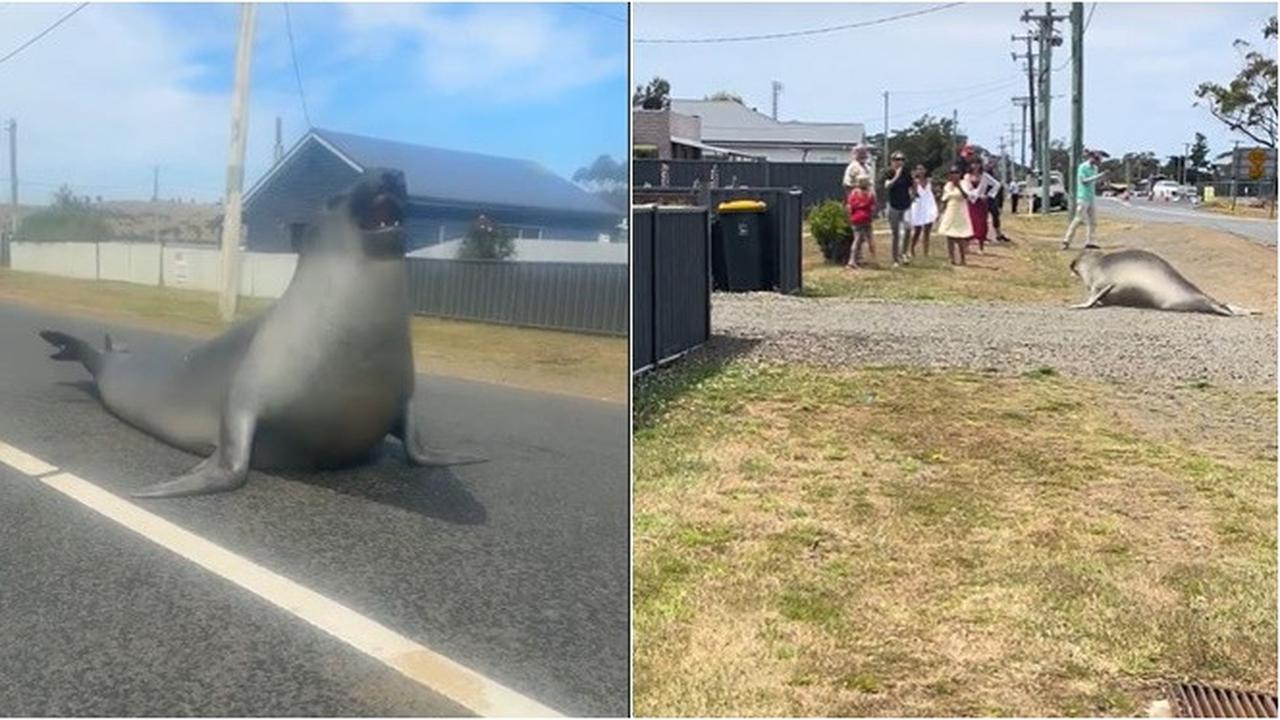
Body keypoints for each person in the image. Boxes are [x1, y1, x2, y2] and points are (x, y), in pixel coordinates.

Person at [1062, 149, 1107, 250]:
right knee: (1078, 219)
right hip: (1083, 197)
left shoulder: (1094, 168)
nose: (1098, 162)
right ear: (1092, 158)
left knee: (1093, 221)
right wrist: (1098, 176)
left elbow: (1093, 182)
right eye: (1097, 159)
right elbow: (1084, 181)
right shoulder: (1083, 167)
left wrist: (1101, 180)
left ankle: (1090, 242)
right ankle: (1066, 240)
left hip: (1091, 197)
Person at [937, 163, 973, 266]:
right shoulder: (948, 185)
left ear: (960, 174)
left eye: (956, 172)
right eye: (952, 173)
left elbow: (966, 196)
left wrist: (959, 186)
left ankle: (962, 258)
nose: (954, 175)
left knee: (960, 236)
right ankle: (951, 258)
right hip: (950, 210)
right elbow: (944, 199)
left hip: (960, 210)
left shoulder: (964, 183)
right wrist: (940, 212)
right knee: (949, 235)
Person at [883, 150, 913, 267]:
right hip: (893, 205)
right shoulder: (889, 172)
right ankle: (895, 258)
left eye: (902, 160)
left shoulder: (906, 173)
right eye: (897, 160)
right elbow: (887, 186)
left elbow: (911, 185)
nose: (900, 162)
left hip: (906, 204)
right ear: (892, 161)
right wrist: (896, 176)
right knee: (895, 234)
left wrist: (913, 193)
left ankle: (904, 252)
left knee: (908, 227)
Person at [846, 176, 877, 270]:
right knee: (869, 238)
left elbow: (849, 207)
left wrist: (850, 218)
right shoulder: (870, 194)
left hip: (856, 218)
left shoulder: (854, 193)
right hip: (866, 218)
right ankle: (873, 259)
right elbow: (873, 207)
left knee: (857, 239)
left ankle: (852, 260)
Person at [907, 164, 937, 258]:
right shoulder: (914, 182)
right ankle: (911, 249)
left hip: (928, 205)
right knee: (917, 230)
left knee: (927, 231)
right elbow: (913, 195)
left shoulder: (929, 181)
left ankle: (926, 252)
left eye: (922, 169)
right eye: (918, 169)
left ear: (925, 170)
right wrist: (914, 185)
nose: (920, 171)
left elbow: (933, 193)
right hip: (919, 206)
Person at [961, 160, 991, 254]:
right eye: (973, 163)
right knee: (969, 222)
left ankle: (981, 247)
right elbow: (964, 188)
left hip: (981, 203)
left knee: (981, 223)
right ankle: (967, 246)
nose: (975, 166)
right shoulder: (967, 176)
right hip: (970, 202)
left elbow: (996, 185)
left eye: (977, 164)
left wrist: (988, 195)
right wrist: (969, 195)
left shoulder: (984, 176)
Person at [986, 161, 1011, 243]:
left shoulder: (995, 180)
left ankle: (998, 235)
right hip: (986, 200)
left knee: (995, 218)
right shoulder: (983, 179)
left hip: (992, 201)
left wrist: (1000, 205)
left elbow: (1000, 191)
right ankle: (986, 235)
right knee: (985, 218)